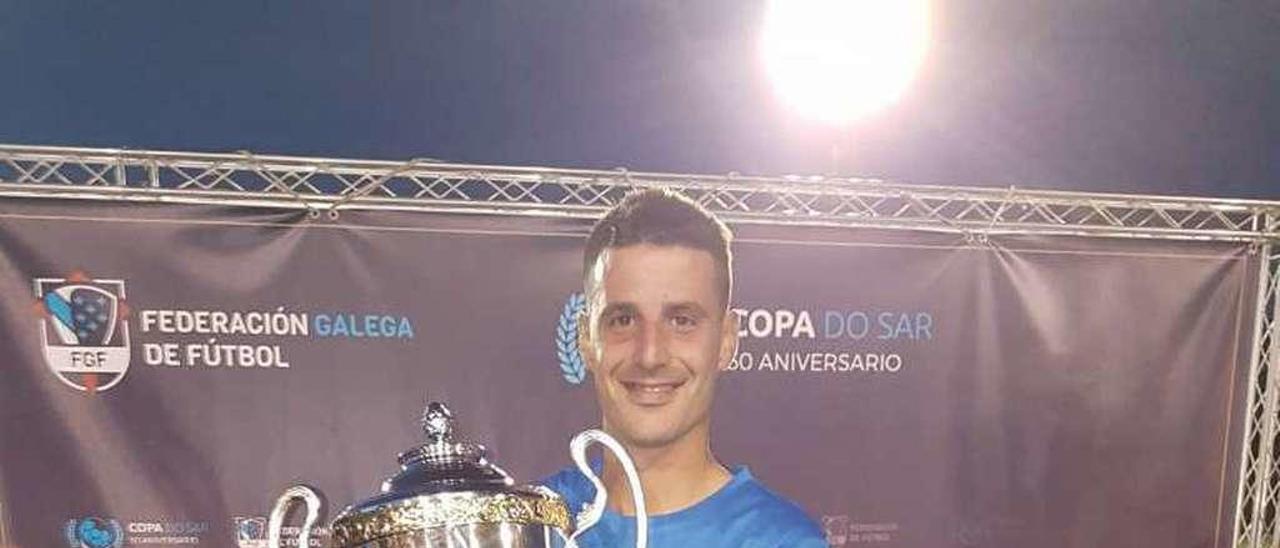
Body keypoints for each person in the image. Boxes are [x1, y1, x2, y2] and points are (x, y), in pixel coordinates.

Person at [542, 188, 827, 547]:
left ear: (726, 341)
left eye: (681, 320)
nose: (650, 356)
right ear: (585, 339)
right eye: (623, 319)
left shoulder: (781, 541)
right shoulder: (531, 521)